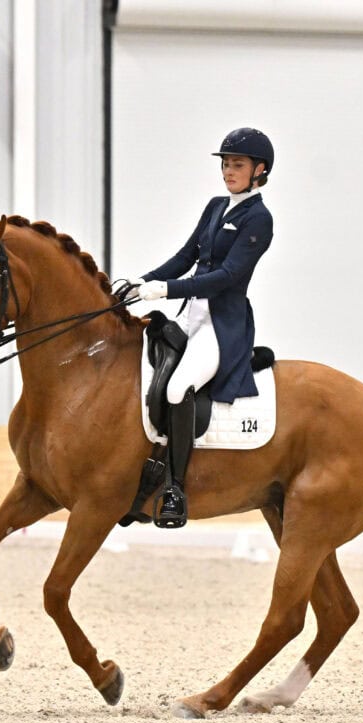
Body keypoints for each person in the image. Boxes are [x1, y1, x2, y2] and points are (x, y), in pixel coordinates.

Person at [129, 127, 275, 528]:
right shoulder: (215, 207)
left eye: (238, 164)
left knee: (178, 389)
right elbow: (185, 256)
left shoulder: (259, 218)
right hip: (190, 314)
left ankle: (174, 488)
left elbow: (227, 275)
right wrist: (139, 285)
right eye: (226, 164)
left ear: (259, 170)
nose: (229, 170)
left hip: (222, 324)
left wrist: (167, 289)